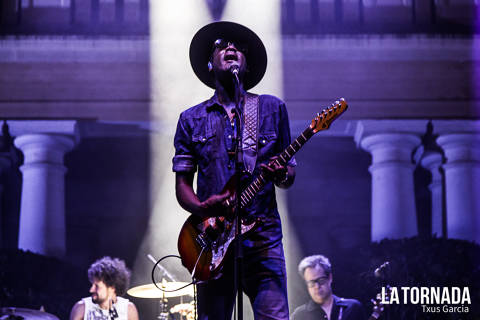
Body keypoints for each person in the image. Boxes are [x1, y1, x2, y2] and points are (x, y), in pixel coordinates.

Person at [173, 21, 296, 320]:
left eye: (239, 46)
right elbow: (182, 185)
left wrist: (280, 173)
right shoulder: (191, 119)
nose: (231, 47)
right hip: (213, 242)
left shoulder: (271, 108)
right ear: (209, 62)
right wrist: (203, 208)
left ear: (247, 64)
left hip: (263, 241)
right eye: (221, 43)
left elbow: (289, 174)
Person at [291, 255, 367, 320]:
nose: (317, 286)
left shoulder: (353, 308)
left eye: (321, 280)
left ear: (330, 278)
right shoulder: (299, 315)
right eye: (311, 282)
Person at [70, 256, 139, 320]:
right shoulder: (81, 308)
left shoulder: (128, 309)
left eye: (97, 286)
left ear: (112, 287)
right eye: (92, 285)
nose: (91, 290)